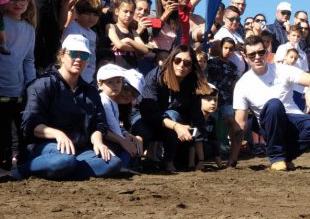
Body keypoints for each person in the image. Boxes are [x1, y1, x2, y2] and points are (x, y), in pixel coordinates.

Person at [13, 34, 123, 180]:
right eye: (74, 54)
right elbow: (29, 124)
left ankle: (65, 171)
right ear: (62, 55)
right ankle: (21, 171)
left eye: (84, 55)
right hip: (46, 147)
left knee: (113, 162)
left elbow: (99, 124)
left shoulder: (90, 91)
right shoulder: (42, 84)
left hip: (79, 150)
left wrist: (97, 141)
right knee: (64, 160)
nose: (79, 59)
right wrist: (57, 134)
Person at [232, 36, 310, 171]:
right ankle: (276, 157)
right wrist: (233, 158)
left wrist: (309, 93)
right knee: (274, 105)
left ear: (267, 53)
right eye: (252, 55)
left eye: (261, 52)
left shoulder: (282, 69)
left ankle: (284, 156)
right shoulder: (242, 84)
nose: (257, 57)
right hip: (269, 126)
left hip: (292, 119)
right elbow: (240, 124)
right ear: (246, 57)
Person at [138, 45, 211, 173]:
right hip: (145, 118)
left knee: (176, 116)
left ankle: (168, 160)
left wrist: (200, 159)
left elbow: (196, 116)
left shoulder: (191, 83)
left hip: (172, 124)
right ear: (170, 60)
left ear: (192, 67)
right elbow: (149, 112)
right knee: (168, 118)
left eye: (187, 63)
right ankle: (145, 158)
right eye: (177, 60)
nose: (182, 65)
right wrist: (176, 126)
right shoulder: (155, 76)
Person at [0, 0, 36, 171]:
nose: (18, 3)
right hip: (1, 87)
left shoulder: (29, 29)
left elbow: (28, 60)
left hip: (17, 89)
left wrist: (30, 85)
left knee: (17, 132)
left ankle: (15, 164)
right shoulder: (2, 23)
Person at [204, 37, 242, 167]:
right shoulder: (211, 63)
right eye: (226, 48)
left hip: (227, 98)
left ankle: (231, 150)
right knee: (211, 125)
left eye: (231, 49)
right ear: (220, 47)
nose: (228, 51)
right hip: (212, 98)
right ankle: (211, 153)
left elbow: (233, 84)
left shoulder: (233, 66)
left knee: (230, 121)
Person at [96, 64, 143, 166]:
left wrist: (127, 135)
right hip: (104, 139)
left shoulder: (112, 101)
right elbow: (111, 125)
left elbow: (116, 124)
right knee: (126, 152)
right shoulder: (104, 100)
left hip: (113, 138)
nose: (115, 86)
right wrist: (124, 141)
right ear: (100, 84)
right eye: (110, 82)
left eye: (118, 82)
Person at [107, 0, 148, 70]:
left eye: (131, 12)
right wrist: (137, 49)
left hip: (131, 70)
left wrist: (128, 40)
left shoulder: (133, 32)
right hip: (115, 69)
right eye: (125, 11)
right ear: (117, 11)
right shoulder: (111, 26)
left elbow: (145, 50)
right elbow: (120, 45)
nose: (128, 15)